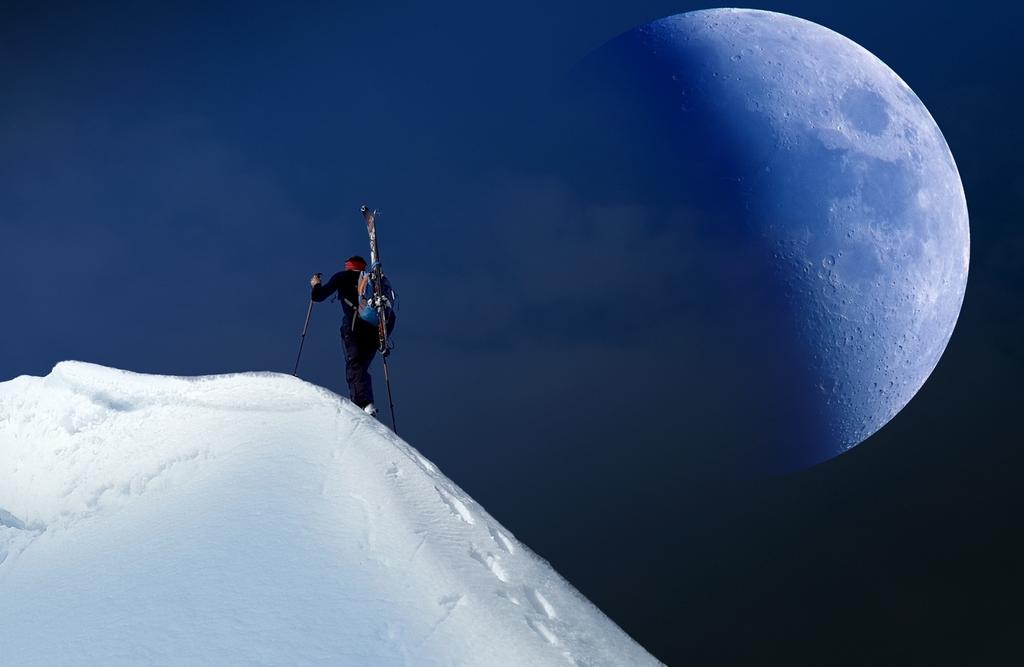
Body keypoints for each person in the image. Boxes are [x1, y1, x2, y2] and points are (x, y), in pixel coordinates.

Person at [310, 256, 393, 417]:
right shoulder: (372, 281)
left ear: (348, 266)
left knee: (355, 366)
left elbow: (318, 296)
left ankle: (362, 404)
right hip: (373, 332)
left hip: (353, 329)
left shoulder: (342, 277)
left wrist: (315, 284)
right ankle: (366, 403)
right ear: (363, 267)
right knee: (360, 367)